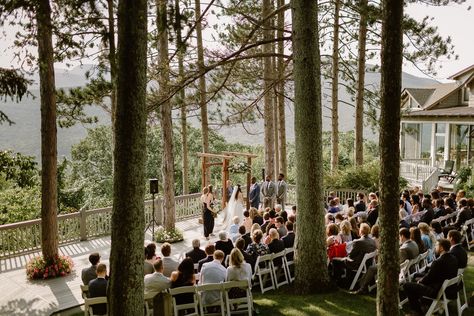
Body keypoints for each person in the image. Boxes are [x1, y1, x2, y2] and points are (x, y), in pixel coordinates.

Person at [403, 239, 458, 315]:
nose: (435, 247)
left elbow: (428, 279)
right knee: (416, 276)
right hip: (447, 288)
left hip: (436, 290)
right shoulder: (453, 258)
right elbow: (433, 275)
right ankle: (422, 302)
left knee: (407, 285)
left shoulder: (438, 262)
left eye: (436, 245)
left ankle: (417, 311)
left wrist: (420, 281)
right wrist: (422, 279)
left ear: (441, 248)